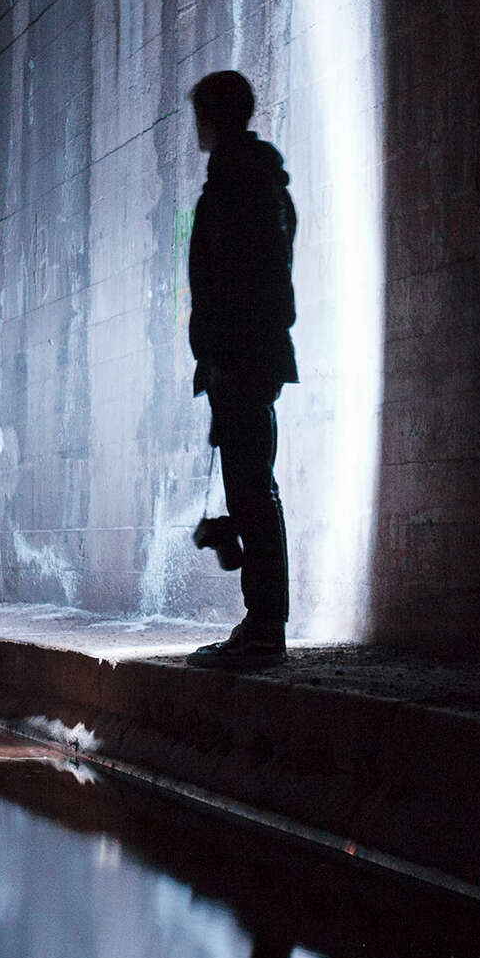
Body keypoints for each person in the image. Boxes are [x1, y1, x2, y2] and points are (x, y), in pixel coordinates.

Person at [183, 70, 296, 665]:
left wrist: (226, 357)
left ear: (213, 116)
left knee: (252, 490)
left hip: (241, 359)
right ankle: (261, 622)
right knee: (252, 487)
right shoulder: (257, 180)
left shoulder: (237, 183)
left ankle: (264, 629)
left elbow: (238, 281)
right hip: (246, 357)